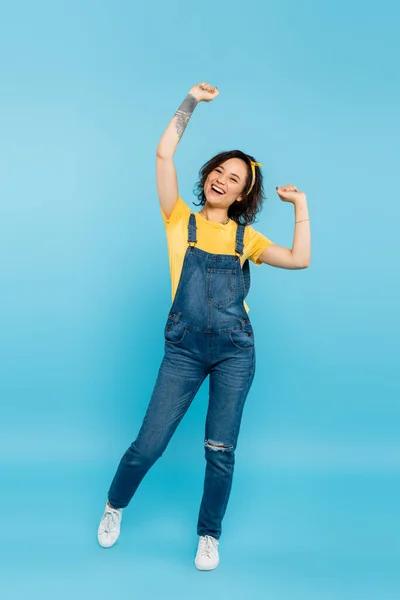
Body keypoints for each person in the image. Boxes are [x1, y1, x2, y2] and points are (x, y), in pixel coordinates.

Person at [97, 82, 311, 570]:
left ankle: (208, 534)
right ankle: (114, 506)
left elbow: (300, 259)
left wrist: (300, 206)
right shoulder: (179, 220)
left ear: (243, 193)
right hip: (184, 350)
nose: (221, 178)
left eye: (233, 177)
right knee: (149, 444)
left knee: (220, 450)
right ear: (208, 176)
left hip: (236, 352)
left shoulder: (247, 238)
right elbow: (162, 154)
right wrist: (190, 102)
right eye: (218, 170)